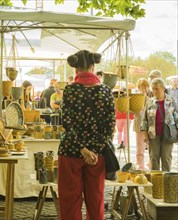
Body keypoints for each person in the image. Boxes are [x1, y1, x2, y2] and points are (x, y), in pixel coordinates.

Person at [58, 50, 116, 220]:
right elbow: (110, 125)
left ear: (76, 69)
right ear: (93, 66)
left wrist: (82, 149)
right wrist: (95, 150)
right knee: (96, 199)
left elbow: (67, 123)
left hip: (70, 151)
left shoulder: (69, 90)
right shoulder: (105, 91)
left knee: (69, 200)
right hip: (97, 154)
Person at [140, 78, 177, 171]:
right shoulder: (150, 102)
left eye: (157, 88)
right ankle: (155, 182)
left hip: (168, 134)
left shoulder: (171, 100)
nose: (154, 91)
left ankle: (166, 183)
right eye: (153, 89)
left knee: (166, 158)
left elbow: (177, 117)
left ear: (163, 88)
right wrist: (144, 133)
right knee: (154, 158)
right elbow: (144, 119)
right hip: (153, 134)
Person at [133, 78, 150, 170]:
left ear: (148, 87)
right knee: (140, 147)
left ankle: (150, 164)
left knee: (151, 147)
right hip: (139, 125)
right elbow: (132, 112)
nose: (143, 89)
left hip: (149, 127)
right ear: (138, 88)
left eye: (145, 87)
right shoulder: (136, 99)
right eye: (141, 87)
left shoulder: (151, 99)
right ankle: (140, 166)